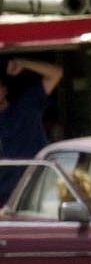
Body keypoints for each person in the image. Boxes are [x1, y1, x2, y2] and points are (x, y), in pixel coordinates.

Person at [0, 56, 63, 205]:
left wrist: (23, 63)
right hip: (4, 201)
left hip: (37, 191)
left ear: (4, 89)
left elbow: (56, 73)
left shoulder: (26, 107)